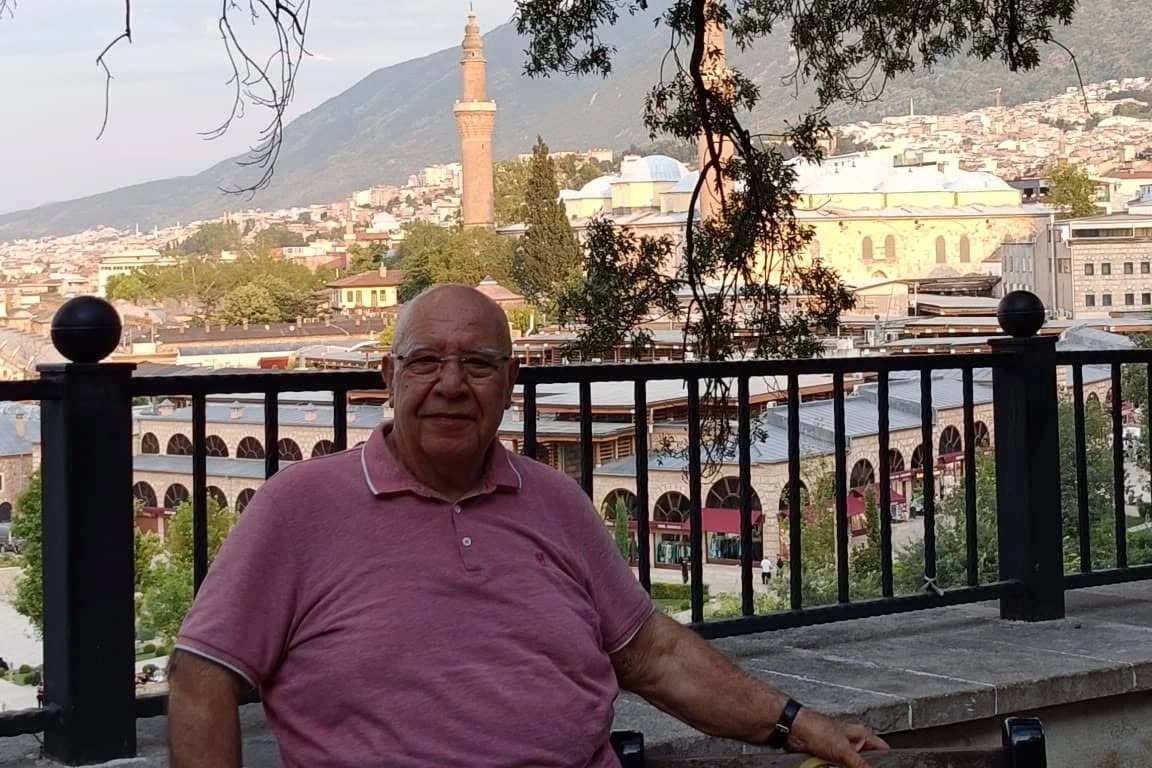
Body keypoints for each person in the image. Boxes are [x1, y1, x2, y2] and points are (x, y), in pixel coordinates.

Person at [166, 284, 888, 768]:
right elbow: (202, 678)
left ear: (510, 382)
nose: (451, 385)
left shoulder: (555, 502)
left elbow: (654, 654)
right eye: (426, 362)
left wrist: (801, 725)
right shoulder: (299, 507)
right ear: (389, 377)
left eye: (478, 365)